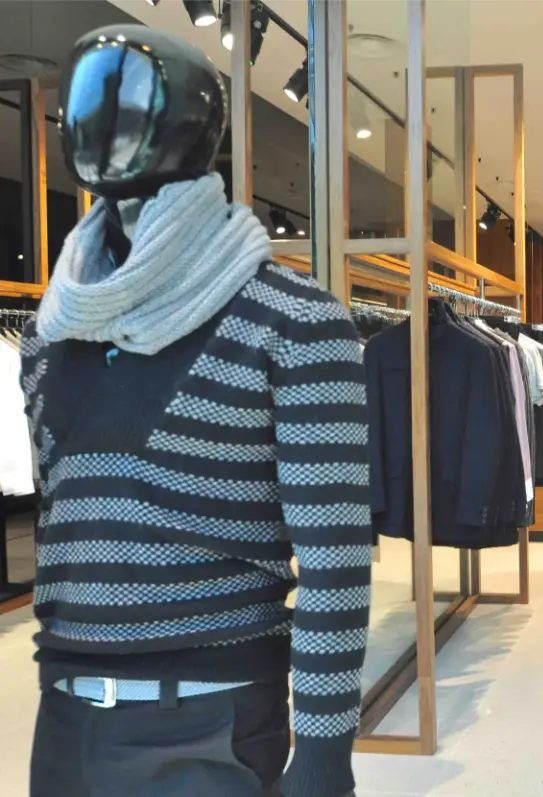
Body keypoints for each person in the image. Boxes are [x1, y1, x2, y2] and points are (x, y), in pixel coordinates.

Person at [22, 25, 372, 797]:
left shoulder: (297, 324)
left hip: (210, 727)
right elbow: (67, 532)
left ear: (191, 122)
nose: (97, 121)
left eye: (128, 96)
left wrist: (321, 758)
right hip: (64, 725)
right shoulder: (51, 333)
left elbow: (337, 566)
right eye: (85, 97)